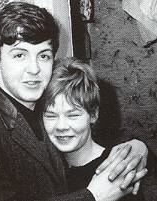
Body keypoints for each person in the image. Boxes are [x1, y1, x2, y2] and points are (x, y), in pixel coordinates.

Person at [0, 2, 148, 201]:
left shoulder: (46, 108)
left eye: (44, 56)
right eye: (20, 55)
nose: (34, 69)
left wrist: (138, 149)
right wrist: (94, 196)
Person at [42, 57, 146, 200]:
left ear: (93, 115)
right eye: (51, 116)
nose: (61, 126)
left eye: (73, 115)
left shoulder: (117, 169)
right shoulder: (43, 169)